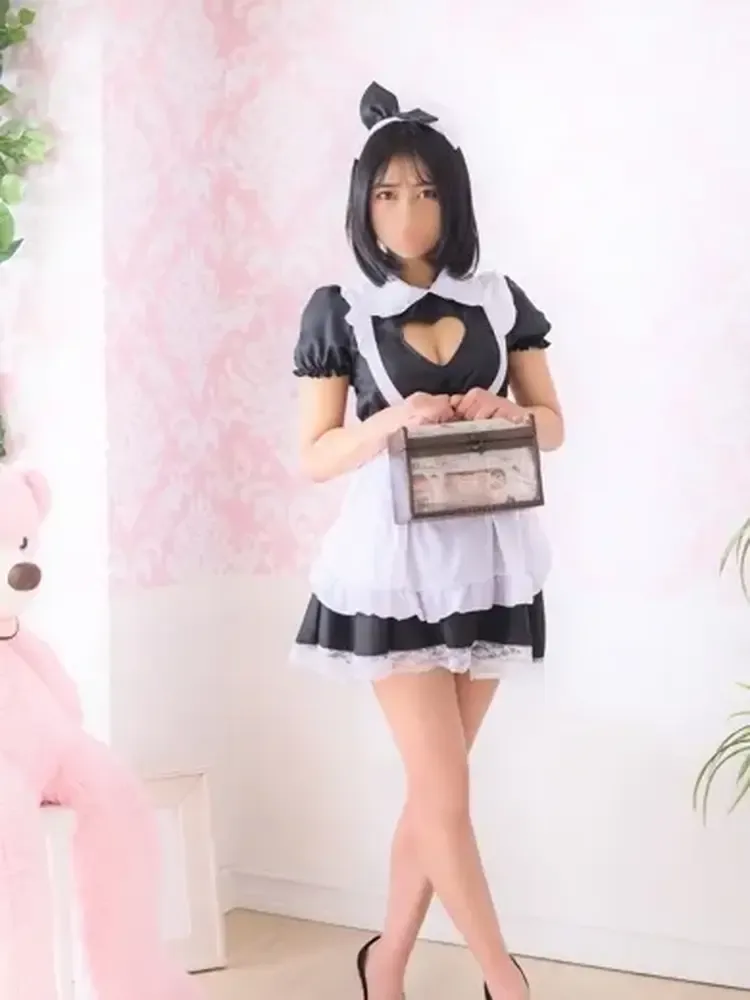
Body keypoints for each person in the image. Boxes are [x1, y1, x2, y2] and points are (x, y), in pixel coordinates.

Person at [290, 81, 564, 1000]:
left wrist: (503, 409)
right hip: (391, 571)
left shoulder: (499, 298)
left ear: (454, 197)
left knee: (433, 795)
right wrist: (388, 422)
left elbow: (554, 426)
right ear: (363, 204)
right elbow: (315, 455)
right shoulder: (338, 307)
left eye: (425, 190)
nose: (406, 211)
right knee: (446, 798)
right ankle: (504, 981)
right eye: (386, 193)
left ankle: (386, 966)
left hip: (490, 561)